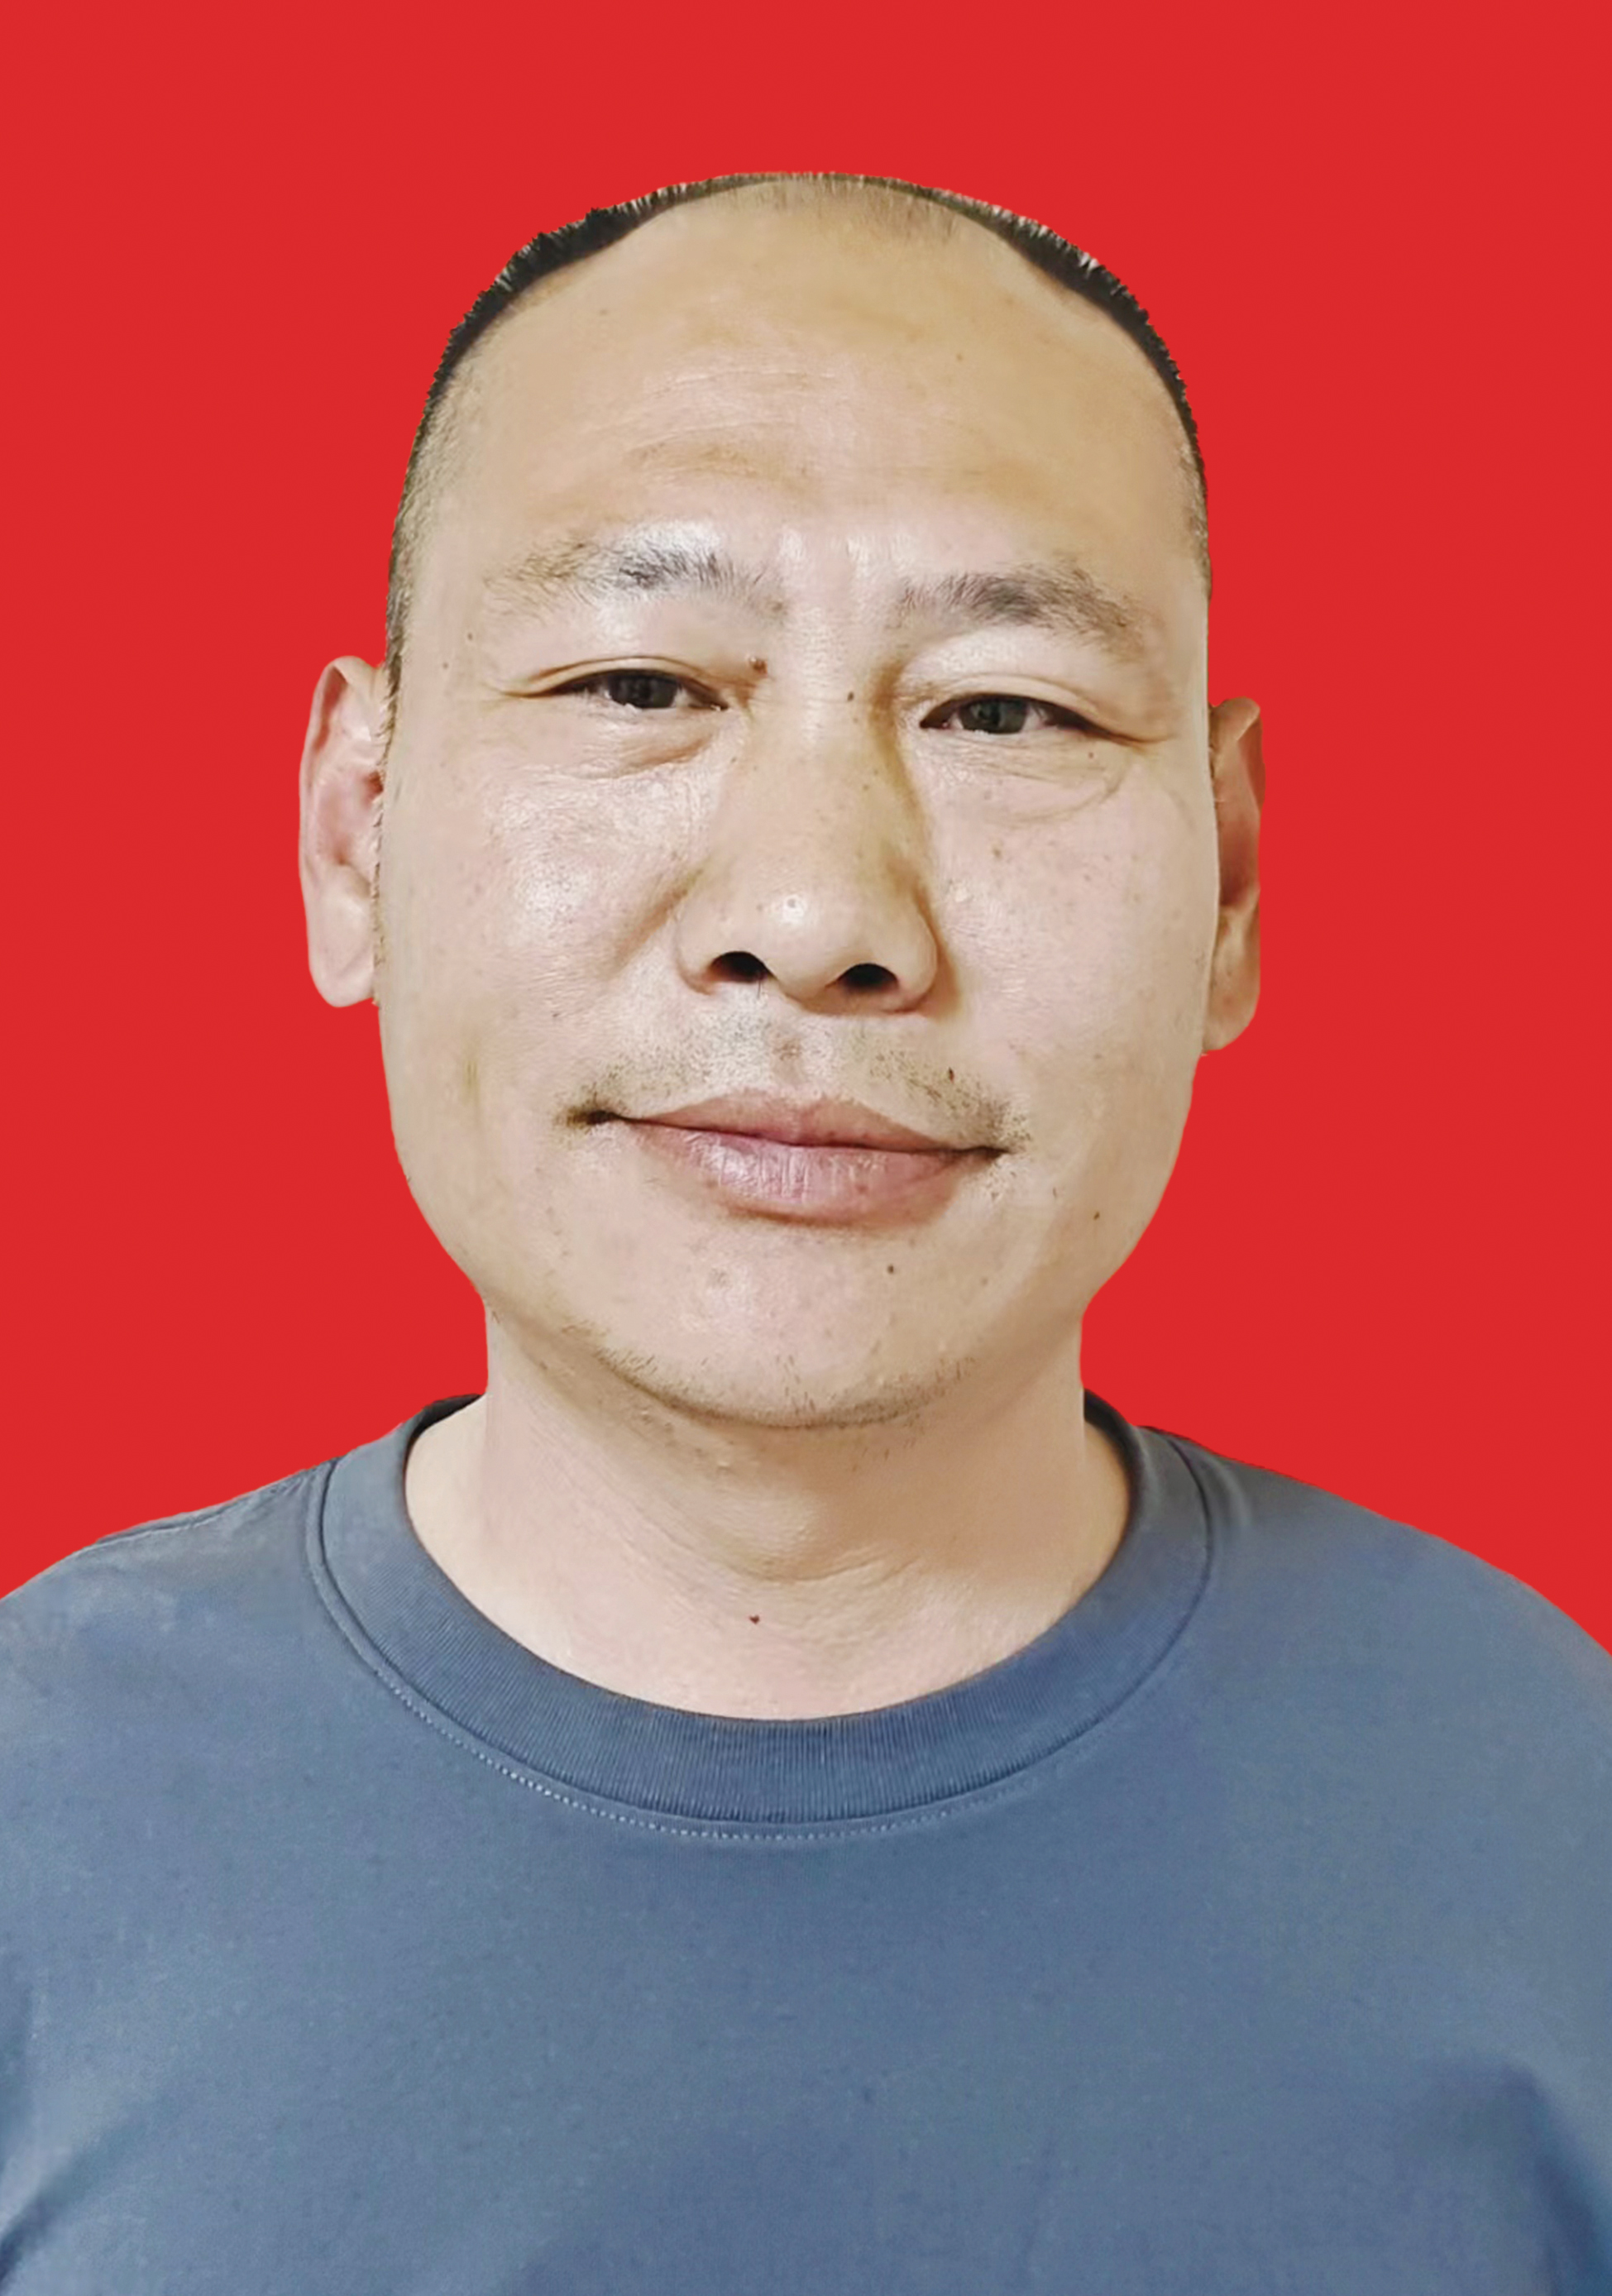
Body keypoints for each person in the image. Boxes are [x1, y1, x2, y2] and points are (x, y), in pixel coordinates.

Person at [2, 171, 1607, 2293]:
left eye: (1007, 711)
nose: (818, 911)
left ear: (1228, 884)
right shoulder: (38, 1821)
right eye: (638, 682)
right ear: (353, 834)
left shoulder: (1557, 1818)